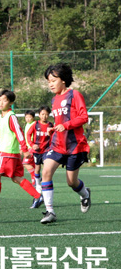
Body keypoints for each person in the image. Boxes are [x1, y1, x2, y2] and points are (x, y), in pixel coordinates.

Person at [39, 64, 91, 224]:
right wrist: (53, 129)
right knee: (46, 172)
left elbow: (83, 117)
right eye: (49, 81)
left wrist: (66, 125)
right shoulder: (54, 100)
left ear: (63, 80)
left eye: (53, 80)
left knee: (71, 182)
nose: (50, 84)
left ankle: (85, 194)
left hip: (75, 146)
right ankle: (50, 211)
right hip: (57, 145)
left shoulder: (74, 95)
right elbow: (60, 121)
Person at [0, 89, 41, 210]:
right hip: (13, 154)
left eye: (4, 100)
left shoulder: (11, 117)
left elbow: (19, 133)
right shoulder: (1, 118)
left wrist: (25, 149)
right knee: (16, 178)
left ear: (10, 102)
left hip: (7, 153)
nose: (1, 103)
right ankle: (38, 196)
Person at [27, 106, 54, 209]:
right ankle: (38, 185)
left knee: (47, 169)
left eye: (46, 114)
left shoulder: (51, 125)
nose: (45, 116)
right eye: (43, 114)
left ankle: (43, 184)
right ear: (39, 115)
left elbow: (54, 136)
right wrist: (32, 144)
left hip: (47, 151)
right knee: (37, 169)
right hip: (37, 151)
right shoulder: (35, 124)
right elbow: (28, 135)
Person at [23, 110, 40, 208]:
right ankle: (36, 178)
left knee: (25, 163)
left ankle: (34, 178)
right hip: (28, 147)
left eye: (29, 117)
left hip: (32, 148)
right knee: (33, 166)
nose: (28, 119)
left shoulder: (34, 124)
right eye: (26, 117)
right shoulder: (26, 125)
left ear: (33, 117)